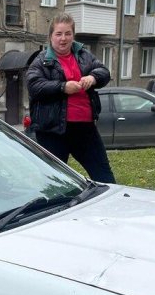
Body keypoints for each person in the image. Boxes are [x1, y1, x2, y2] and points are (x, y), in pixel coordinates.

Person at [26, 13, 115, 183]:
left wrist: (93, 77)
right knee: (54, 181)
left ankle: (113, 208)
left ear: (73, 35)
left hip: (85, 129)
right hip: (53, 130)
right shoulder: (42, 60)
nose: (63, 38)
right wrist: (62, 87)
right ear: (51, 36)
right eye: (58, 34)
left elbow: (104, 72)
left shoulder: (83, 55)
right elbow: (34, 86)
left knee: (103, 174)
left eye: (68, 33)